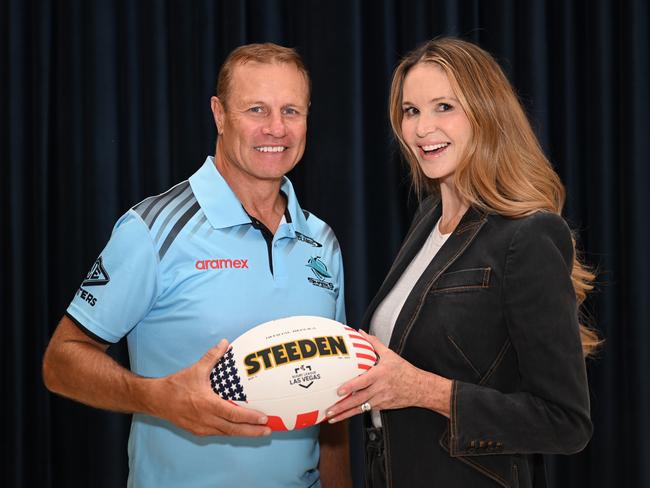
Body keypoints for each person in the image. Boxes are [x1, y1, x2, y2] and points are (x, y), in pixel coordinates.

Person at [43, 43, 351, 488]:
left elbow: (331, 399)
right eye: (256, 109)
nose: (275, 128)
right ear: (219, 114)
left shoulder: (321, 242)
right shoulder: (151, 228)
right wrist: (158, 398)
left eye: (291, 111)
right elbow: (60, 363)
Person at [325, 38, 597, 488]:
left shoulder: (527, 234)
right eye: (411, 111)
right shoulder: (429, 217)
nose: (423, 128)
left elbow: (565, 423)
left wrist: (423, 390)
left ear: (486, 114)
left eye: (444, 107)